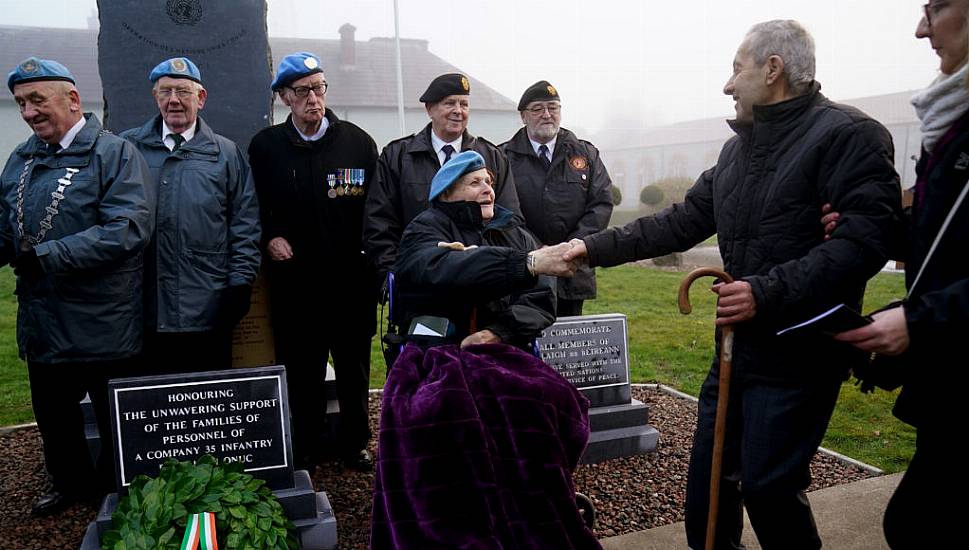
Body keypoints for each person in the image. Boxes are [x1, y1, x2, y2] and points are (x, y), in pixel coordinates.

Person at [561, 20, 903, 550]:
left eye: (735, 69)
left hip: (801, 352)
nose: (727, 85)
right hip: (735, 351)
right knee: (708, 490)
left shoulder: (847, 136)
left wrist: (764, 292)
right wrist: (588, 248)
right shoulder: (736, 151)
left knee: (770, 489)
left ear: (773, 69)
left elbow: (863, 243)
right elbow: (680, 222)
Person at [370, 150, 598, 549]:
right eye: (475, 183)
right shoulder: (425, 229)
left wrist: (499, 331)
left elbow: (542, 298)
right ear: (448, 192)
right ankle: (461, 515)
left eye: (489, 181)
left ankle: (532, 501)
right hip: (436, 350)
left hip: (498, 346)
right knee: (444, 409)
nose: (487, 188)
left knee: (554, 400)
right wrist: (518, 264)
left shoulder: (514, 231)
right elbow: (436, 269)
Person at [833, 2, 969, 547]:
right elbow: (948, 241)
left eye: (935, 7)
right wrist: (879, 230)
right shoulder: (953, 120)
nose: (921, 28)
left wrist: (920, 319)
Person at [0, 57, 153, 515]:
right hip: (44, 319)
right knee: (53, 415)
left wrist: (48, 256)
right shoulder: (21, 158)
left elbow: (128, 227)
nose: (28, 113)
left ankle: (118, 491)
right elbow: (7, 226)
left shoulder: (115, 153)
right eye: (21, 103)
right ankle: (70, 484)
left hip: (101, 318)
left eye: (37, 100)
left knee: (113, 419)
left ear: (71, 99)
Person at [248, 52, 377, 472]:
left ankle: (355, 441)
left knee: (353, 368)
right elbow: (254, 207)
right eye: (302, 91)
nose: (313, 98)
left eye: (319, 88)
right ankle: (306, 442)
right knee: (302, 370)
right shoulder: (266, 147)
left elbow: (376, 211)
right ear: (284, 97)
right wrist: (270, 237)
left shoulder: (357, 142)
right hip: (296, 285)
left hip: (349, 283)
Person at [120, 57, 261, 374]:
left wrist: (240, 284)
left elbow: (244, 224)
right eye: (165, 91)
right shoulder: (128, 148)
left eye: (183, 91)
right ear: (155, 97)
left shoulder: (224, 154)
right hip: (144, 309)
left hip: (207, 309)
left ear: (201, 98)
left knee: (207, 407)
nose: (173, 100)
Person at [364, 73, 522, 301]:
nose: (458, 110)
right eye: (449, 103)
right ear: (429, 109)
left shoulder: (492, 157)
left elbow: (510, 220)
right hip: (420, 284)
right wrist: (392, 274)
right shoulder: (397, 157)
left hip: (483, 285)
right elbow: (379, 222)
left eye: (464, 104)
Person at [500, 81, 614, 316]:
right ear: (523, 116)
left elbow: (600, 204)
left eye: (553, 107)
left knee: (569, 343)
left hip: (573, 267)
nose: (546, 115)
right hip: (526, 268)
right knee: (523, 340)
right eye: (537, 109)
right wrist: (538, 251)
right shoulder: (503, 157)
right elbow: (504, 212)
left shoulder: (586, 154)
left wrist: (571, 248)